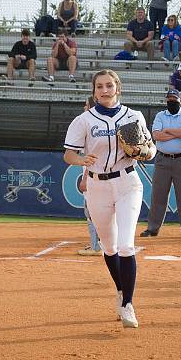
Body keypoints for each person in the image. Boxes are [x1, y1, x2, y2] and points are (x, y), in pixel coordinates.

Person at [63, 69, 156, 328]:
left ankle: (127, 304)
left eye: (109, 85)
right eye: (100, 86)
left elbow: (150, 147)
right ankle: (120, 290)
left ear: (118, 88)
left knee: (126, 245)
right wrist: (82, 160)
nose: (104, 90)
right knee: (109, 247)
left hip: (127, 182)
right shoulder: (84, 120)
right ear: (94, 91)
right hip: (97, 186)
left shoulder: (133, 116)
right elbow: (69, 155)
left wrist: (146, 151)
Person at [141, 90, 181, 239]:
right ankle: (152, 228)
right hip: (162, 159)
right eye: (169, 98)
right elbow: (157, 135)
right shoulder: (160, 115)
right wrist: (177, 132)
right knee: (158, 195)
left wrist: (168, 131)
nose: (171, 100)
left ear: (180, 100)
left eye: (174, 98)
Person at [76, 96, 102, 256]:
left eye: (86, 105)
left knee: (91, 213)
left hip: (93, 176)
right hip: (102, 177)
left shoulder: (90, 126)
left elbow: (91, 158)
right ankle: (101, 244)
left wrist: (85, 179)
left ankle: (95, 247)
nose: (84, 108)